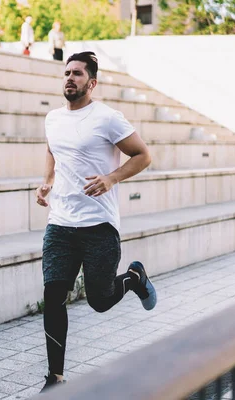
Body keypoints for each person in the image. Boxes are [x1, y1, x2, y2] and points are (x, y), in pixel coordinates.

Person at [35, 51, 157, 393]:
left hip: (99, 226)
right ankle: (55, 379)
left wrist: (111, 178)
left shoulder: (108, 118)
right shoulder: (53, 118)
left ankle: (134, 278)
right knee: (53, 295)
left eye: (77, 74)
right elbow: (52, 148)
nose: (69, 78)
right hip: (60, 223)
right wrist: (47, 179)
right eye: (66, 73)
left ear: (92, 82)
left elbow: (143, 155)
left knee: (100, 300)